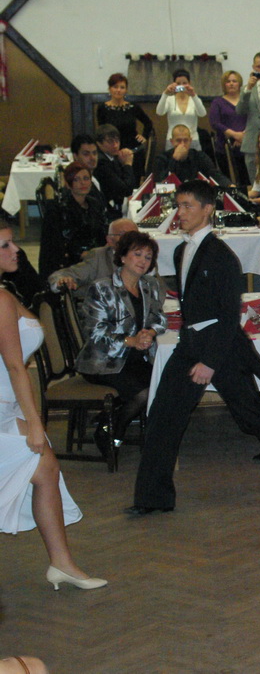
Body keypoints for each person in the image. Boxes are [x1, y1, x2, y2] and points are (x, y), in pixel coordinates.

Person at [128, 181, 260, 514]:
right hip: (190, 345)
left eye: (188, 206)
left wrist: (210, 362)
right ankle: (153, 499)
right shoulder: (180, 251)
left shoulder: (223, 257)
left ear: (207, 210)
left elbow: (230, 316)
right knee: (162, 416)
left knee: (252, 416)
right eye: (179, 206)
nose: (180, 213)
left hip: (223, 349)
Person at [0, 220, 106, 591]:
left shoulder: (5, 293)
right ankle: (62, 563)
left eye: (12, 242)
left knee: (45, 470)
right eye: (5, 245)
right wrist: (34, 422)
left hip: (6, 404)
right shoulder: (0, 300)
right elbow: (16, 366)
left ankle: (62, 563)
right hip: (5, 405)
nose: (16, 250)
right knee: (43, 467)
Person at [75, 232, 165, 454]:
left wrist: (150, 332)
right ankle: (113, 430)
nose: (143, 261)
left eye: (148, 257)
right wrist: (131, 341)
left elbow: (159, 318)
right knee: (143, 393)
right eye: (137, 254)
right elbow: (94, 332)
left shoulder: (149, 285)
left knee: (166, 384)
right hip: (103, 361)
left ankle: (109, 424)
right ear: (123, 257)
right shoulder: (102, 288)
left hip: (135, 358)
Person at [48, 218, 146, 330]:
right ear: (110, 240)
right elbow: (60, 275)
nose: (131, 239)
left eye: (134, 235)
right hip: (105, 324)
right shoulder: (98, 257)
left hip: (139, 320)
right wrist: (63, 281)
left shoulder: (145, 258)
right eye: (123, 234)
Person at [38, 162, 108, 279]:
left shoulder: (95, 203)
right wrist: (84, 254)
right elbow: (57, 246)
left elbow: (102, 232)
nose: (82, 183)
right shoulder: (59, 210)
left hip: (95, 256)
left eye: (86, 178)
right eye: (76, 179)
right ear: (68, 184)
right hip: (70, 262)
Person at [96, 72, 153, 180]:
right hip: (112, 151)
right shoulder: (102, 108)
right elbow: (102, 130)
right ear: (109, 89)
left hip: (133, 150)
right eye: (115, 87)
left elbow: (148, 123)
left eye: (122, 87)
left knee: (133, 181)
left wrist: (144, 136)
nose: (118, 90)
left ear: (126, 90)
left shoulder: (133, 107)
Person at [152, 124, 231, 186]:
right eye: (178, 141)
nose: (182, 144)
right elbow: (160, 183)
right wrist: (174, 160)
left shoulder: (200, 156)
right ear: (172, 142)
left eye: (186, 140)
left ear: (190, 141)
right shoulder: (162, 159)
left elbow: (215, 175)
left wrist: (229, 185)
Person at [208, 70, 248, 184]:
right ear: (224, 84)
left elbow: (253, 119)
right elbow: (215, 123)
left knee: (247, 180)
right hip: (225, 148)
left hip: (246, 145)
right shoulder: (217, 102)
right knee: (229, 181)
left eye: (234, 81)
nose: (231, 84)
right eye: (228, 81)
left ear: (239, 84)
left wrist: (243, 136)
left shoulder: (246, 101)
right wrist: (235, 135)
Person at [157, 68, 206, 150]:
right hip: (173, 141)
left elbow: (202, 113)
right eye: (178, 83)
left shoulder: (194, 99)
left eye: (184, 83)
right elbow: (159, 112)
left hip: (192, 140)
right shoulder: (169, 99)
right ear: (174, 84)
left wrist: (193, 95)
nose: (181, 86)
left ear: (189, 83)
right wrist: (165, 93)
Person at [94, 124, 137, 218]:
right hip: (108, 213)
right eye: (110, 141)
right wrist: (127, 164)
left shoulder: (112, 157)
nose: (115, 145)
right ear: (99, 143)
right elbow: (125, 190)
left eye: (117, 141)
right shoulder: (101, 162)